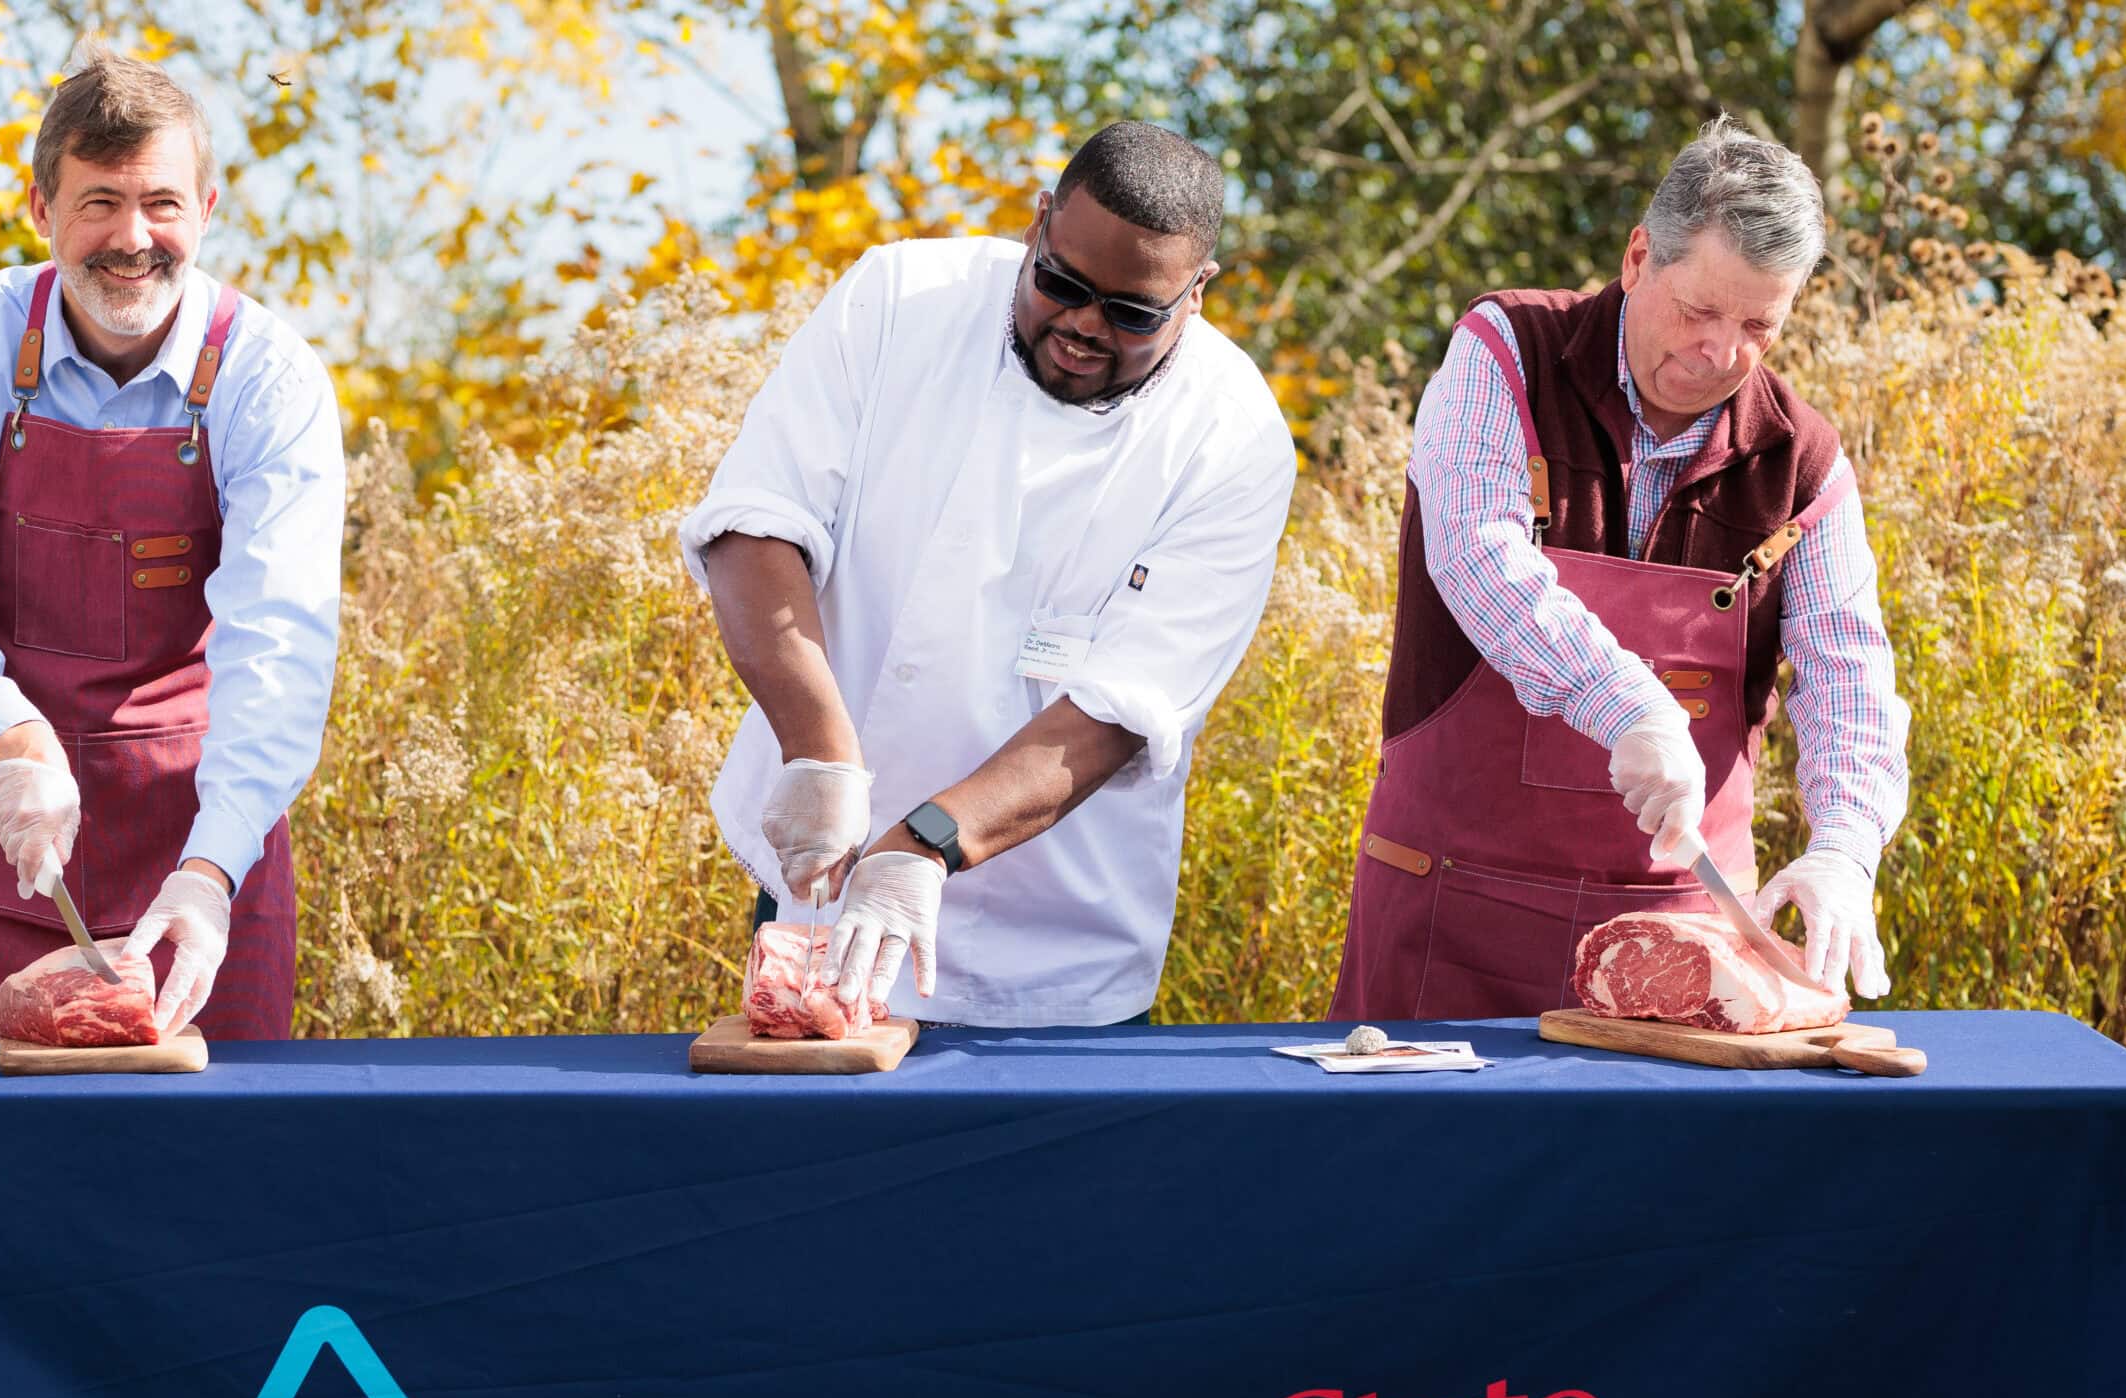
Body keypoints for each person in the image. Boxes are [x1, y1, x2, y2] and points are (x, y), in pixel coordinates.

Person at [681, 121, 1296, 1026]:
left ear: (1197, 294)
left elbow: (1125, 704)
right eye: (1061, 284)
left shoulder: (1234, 436)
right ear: (1037, 224)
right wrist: (818, 749)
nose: (1084, 327)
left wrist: (929, 842)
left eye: (1132, 313)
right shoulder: (899, 298)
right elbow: (757, 526)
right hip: (823, 872)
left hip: (1056, 943)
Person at [1329, 115, 1909, 1022]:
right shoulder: (1504, 350)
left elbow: (1850, 674)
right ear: (1639, 257)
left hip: (1682, 940)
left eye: (1760, 324)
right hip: (1451, 913)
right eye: (1699, 310)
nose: (1722, 351)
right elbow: (1478, 553)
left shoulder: (1804, 459)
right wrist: (1631, 705)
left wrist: (1844, 847)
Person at [0, 40, 343, 1044]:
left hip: (205, 828)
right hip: (8, 833)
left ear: (207, 210)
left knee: (211, 1177)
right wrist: (14, 738)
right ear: (40, 209)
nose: (133, 238)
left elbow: (280, 645)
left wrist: (214, 871)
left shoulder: (271, 378)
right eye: (99, 203)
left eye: (162, 204)